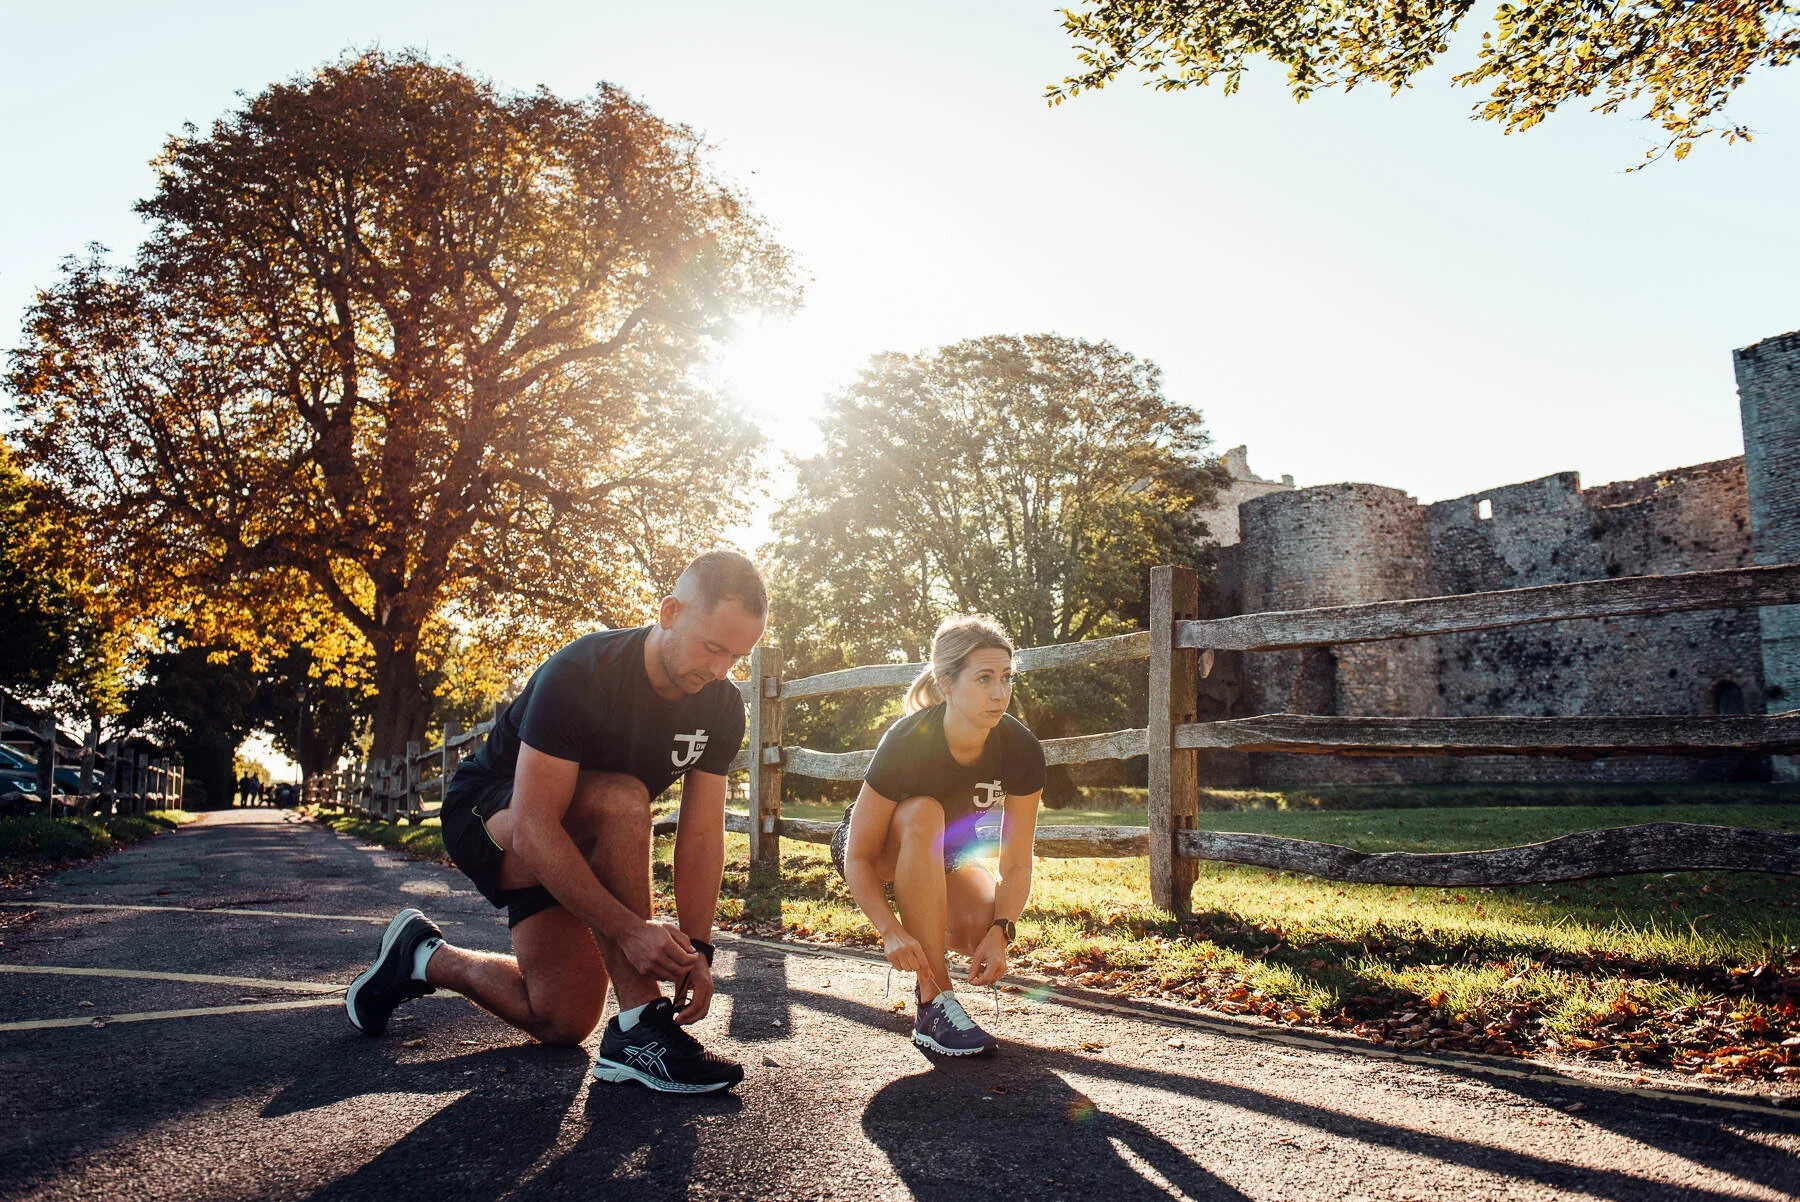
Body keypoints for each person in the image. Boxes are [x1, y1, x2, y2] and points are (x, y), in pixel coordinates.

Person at [345, 550, 765, 1094]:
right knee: (622, 797)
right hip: (493, 821)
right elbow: (535, 827)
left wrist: (698, 952)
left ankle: (423, 957)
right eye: (712, 647)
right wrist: (629, 931)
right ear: (668, 613)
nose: (718, 671)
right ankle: (641, 1027)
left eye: (735, 657)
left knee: (563, 1020)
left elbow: (703, 835)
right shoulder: (582, 673)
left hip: (576, 844)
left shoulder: (722, 707)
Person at [830, 614, 1044, 1056]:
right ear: (947, 683)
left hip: (942, 857)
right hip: (875, 853)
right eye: (983, 678)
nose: (999, 692)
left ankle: (938, 954)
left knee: (981, 923)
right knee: (925, 812)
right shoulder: (909, 740)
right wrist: (889, 930)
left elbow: (1017, 862)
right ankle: (934, 1001)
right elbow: (858, 856)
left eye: (1006, 677)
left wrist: (1001, 931)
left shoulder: (1020, 748)